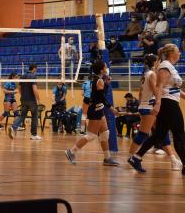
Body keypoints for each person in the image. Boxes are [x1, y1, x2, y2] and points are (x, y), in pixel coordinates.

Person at [128, 44, 185, 174]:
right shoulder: (165, 66)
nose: (180, 53)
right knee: (179, 134)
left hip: (169, 101)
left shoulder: (170, 67)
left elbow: (174, 90)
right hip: (167, 103)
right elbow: (159, 87)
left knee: (159, 134)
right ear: (171, 53)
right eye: (178, 51)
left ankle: (136, 157)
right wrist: (158, 103)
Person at [64, 60, 120, 166]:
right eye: (105, 66)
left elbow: (100, 95)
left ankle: (107, 158)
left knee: (105, 134)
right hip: (96, 110)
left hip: (99, 109)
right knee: (91, 136)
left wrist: (107, 84)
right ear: (101, 69)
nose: (106, 67)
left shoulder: (99, 80)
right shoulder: (99, 81)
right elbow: (101, 97)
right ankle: (71, 152)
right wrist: (112, 108)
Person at [8, 64, 41, 141]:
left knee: (22, 115)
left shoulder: (22, 76)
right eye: (36, 69)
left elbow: (19, 88)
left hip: (23, 99)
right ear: (34, 69)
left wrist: (23, 95)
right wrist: (38, 100)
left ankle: (13, 127)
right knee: (34, 117)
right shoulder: (33, 76)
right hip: (32, 100)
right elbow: (34, 89)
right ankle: (34, 135)